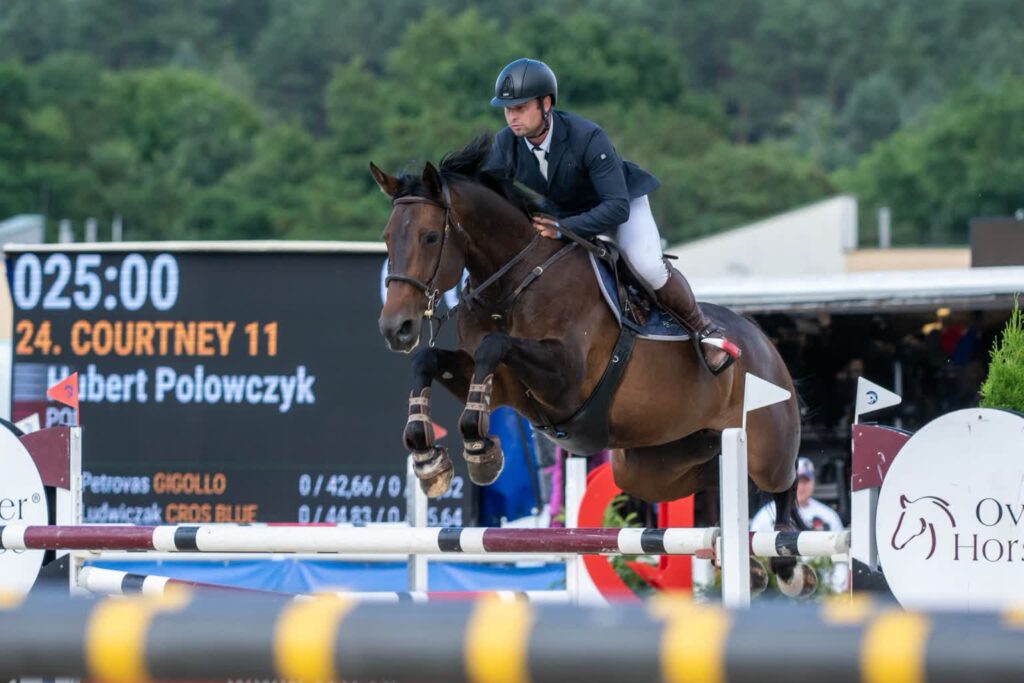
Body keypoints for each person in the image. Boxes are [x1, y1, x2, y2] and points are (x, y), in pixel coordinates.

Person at [483, 58, 739, 375]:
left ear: (545, 103)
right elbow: (490, 196)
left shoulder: (587, 137)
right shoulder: (505, 143)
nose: (512, 117)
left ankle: (705, 331)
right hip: (564, 212)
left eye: (520, 107)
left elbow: (616, 206)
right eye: (508, 109)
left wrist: (564, 228)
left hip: (620, 206)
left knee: (646, 265)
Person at [750, 457, 849, 591]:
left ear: (813, 482)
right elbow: (754, 553)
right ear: (791, 482)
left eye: (805, 481)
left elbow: (842, 557)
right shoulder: (766, 515)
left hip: (822, 588)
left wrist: (837, 589)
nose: (801, 486)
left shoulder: (829, 516)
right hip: (777, 588)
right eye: (798, 481)